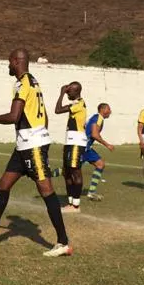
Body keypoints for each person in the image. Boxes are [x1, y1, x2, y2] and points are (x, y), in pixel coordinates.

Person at [0, 48, 72, 257]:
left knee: (46, 190)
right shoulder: (33, 81)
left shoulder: (23, 84)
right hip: (24, 146)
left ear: (16, 61)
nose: (8, 65)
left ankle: (63, 243)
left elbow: (15, 116)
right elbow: (42, 114)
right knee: (3, 185)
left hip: (33, 146)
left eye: (9, 61)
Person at [54, 82, 87, 213]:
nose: (68, 93)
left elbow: (57, 110)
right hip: (70, 141)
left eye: (69, 91)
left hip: (77, 142)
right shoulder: (75, 103)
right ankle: (70, 202)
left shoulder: (79, 104)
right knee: (66, 173)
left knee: (75, 171)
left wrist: (61, 93)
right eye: (67, 91)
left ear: (77, 91)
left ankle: (76, 205)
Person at [83, 103, 115, 201]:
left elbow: (86, 127)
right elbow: (95, 134)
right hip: (83, 147)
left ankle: (91, 192)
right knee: (69, 170)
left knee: (100, 164)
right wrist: (107, 145)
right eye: (109, 109)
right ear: (103, 110)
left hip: (85, 147)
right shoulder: (99, 118)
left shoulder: (95, 117)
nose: (110, 111)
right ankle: (47, 174)